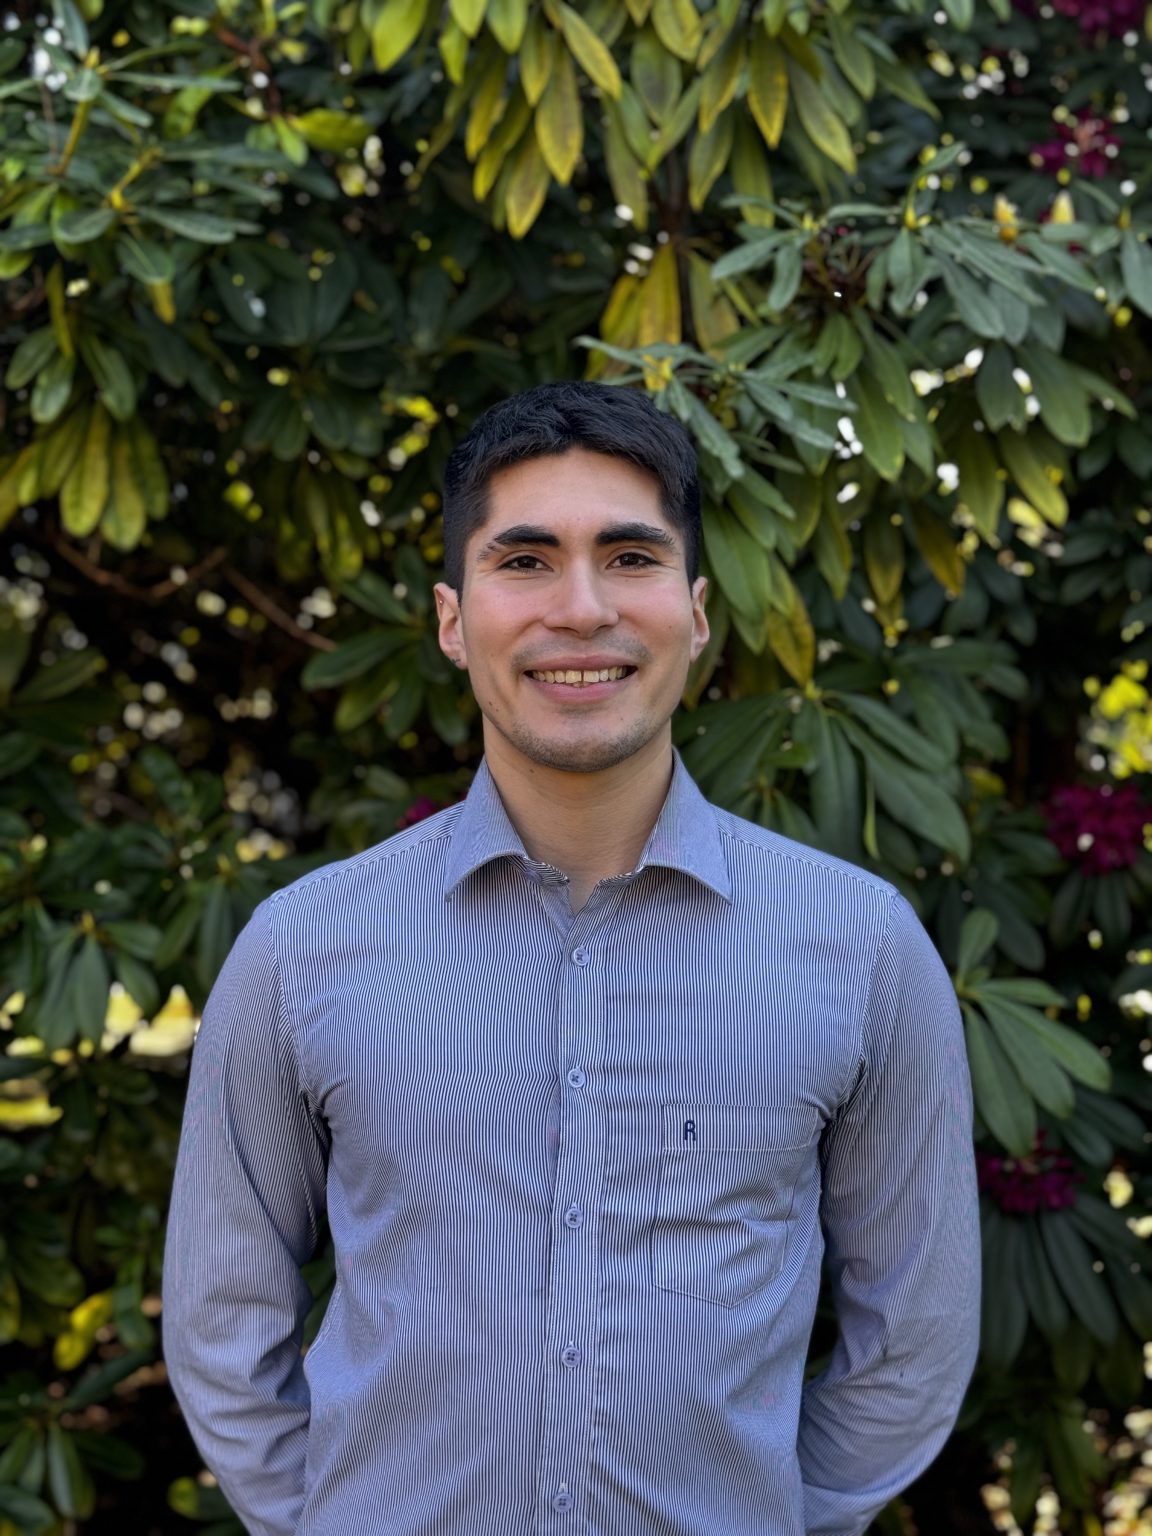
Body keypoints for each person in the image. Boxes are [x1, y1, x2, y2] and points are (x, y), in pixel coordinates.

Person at [162, 381, 981, 1536]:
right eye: (526, 560)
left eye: (631, 558)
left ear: (698, 612)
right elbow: (220, 1318)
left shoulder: (862, 948)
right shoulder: (302, 951)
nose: (582, 608)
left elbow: (916, 1332)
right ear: (453, 619)